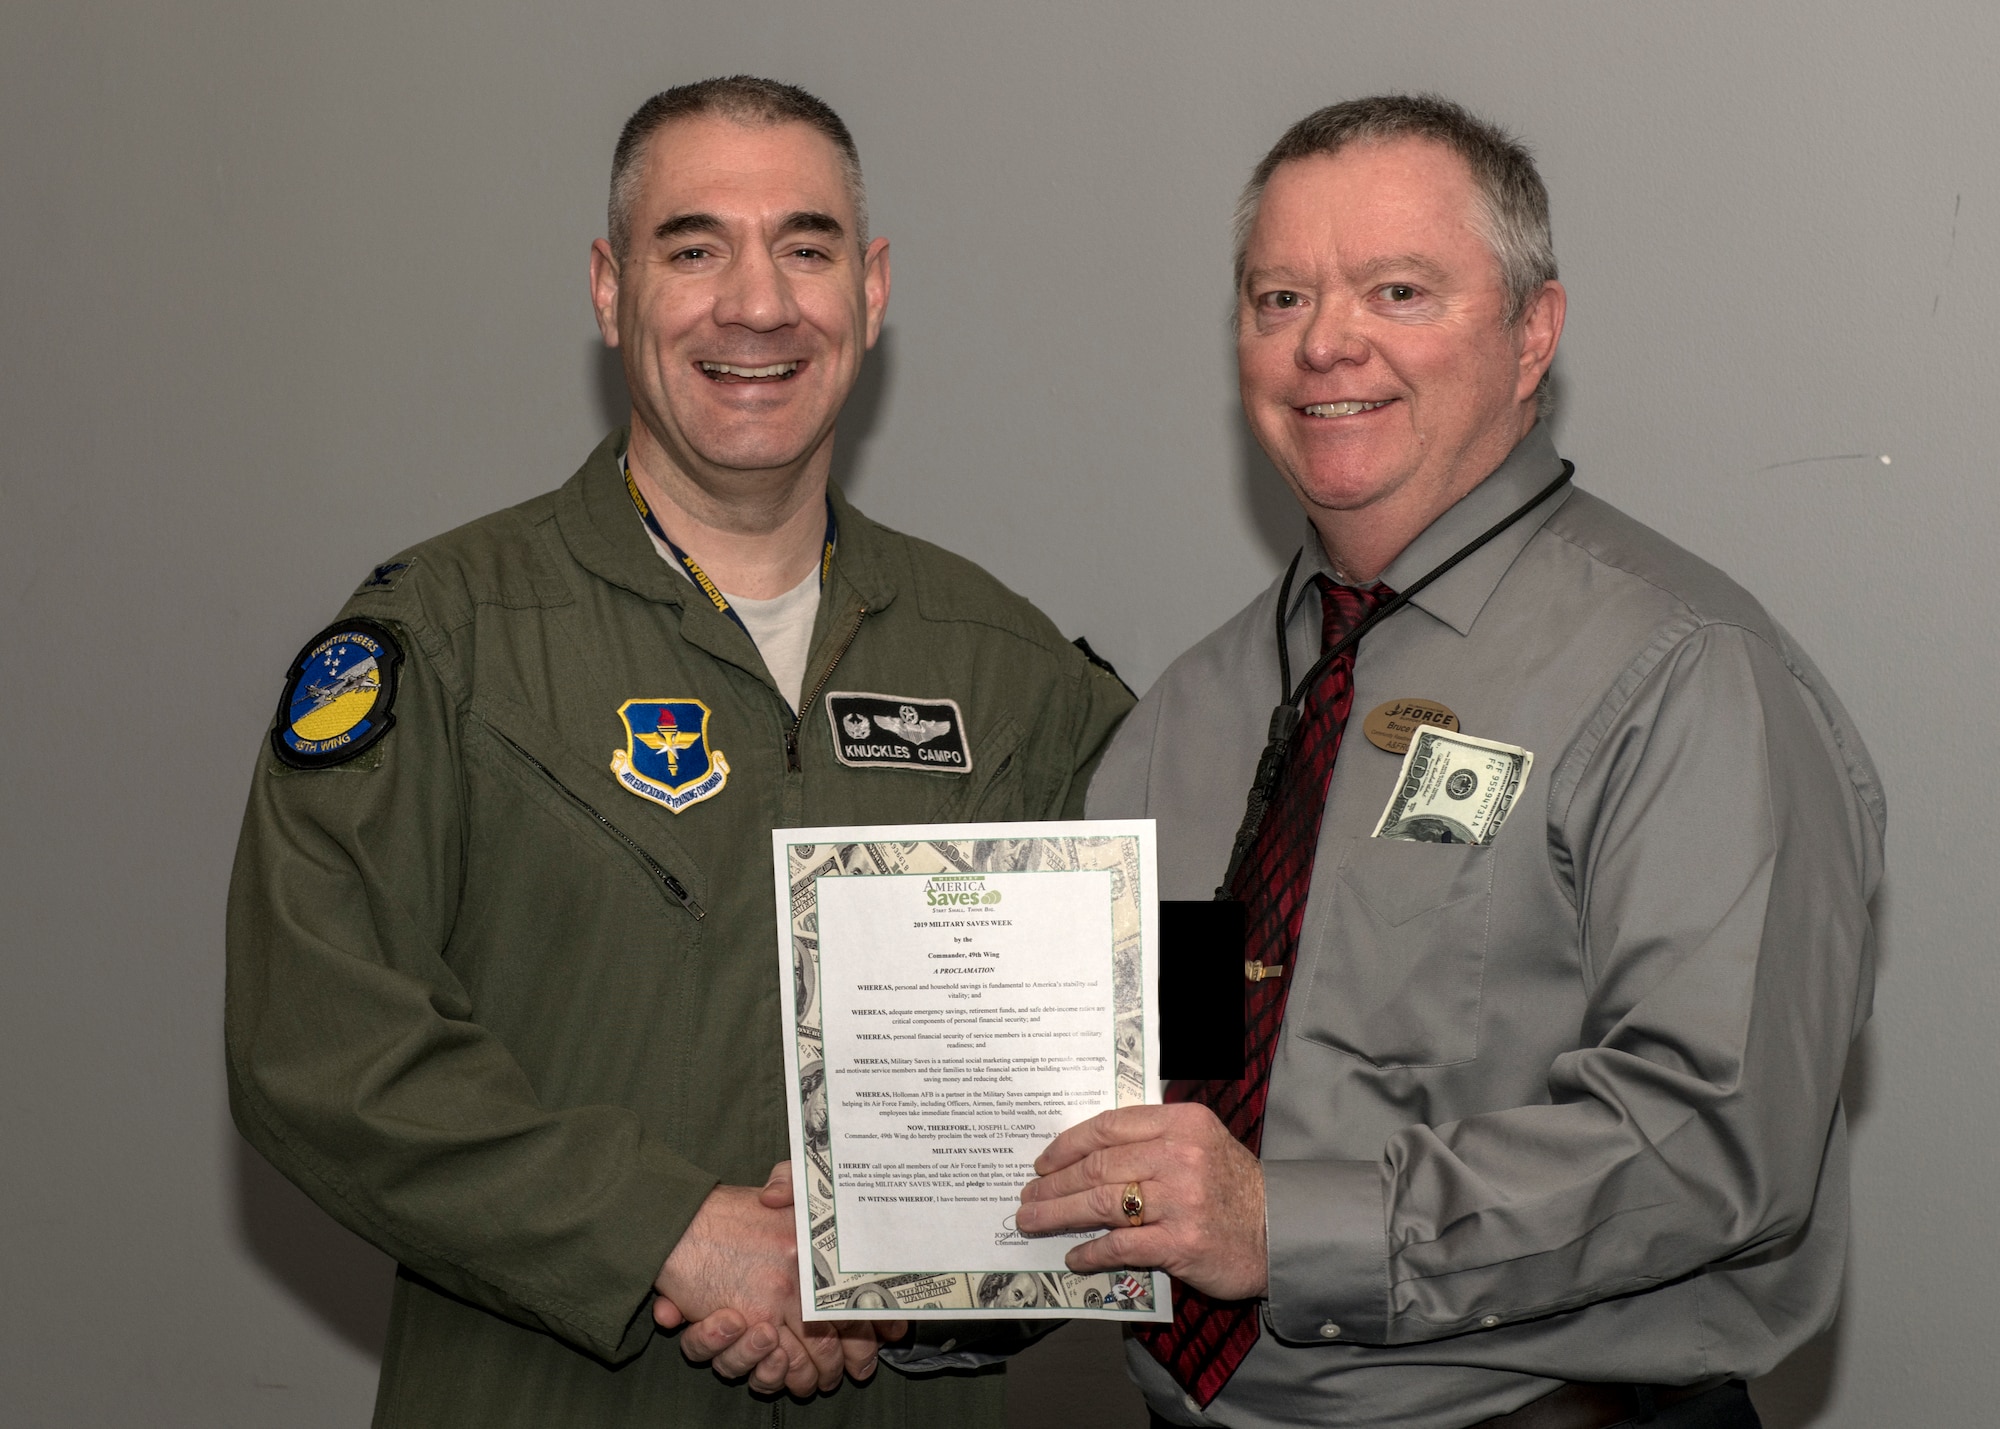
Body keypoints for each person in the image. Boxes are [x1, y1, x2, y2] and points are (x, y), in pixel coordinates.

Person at [226, 75, 1132, 1428]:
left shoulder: (1014, 674)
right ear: (608, 290)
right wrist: (672, 1230)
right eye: (694, 247)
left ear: (872, 293)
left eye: (807, 247)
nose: (756, 302)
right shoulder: (448, 641)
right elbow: (319, 1043)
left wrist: (898, 1280)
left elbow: (1149, 1073)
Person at [1016, 95, 1882, 1429]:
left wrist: (1287, 1222)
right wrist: (918, 1248)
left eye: (1399, 290)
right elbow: (1162, 1089)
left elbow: (1715, 1141)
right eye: (1280, 295)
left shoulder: (1685, 674)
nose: (1326, 341)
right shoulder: (1186, 715)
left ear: (1533, 333)